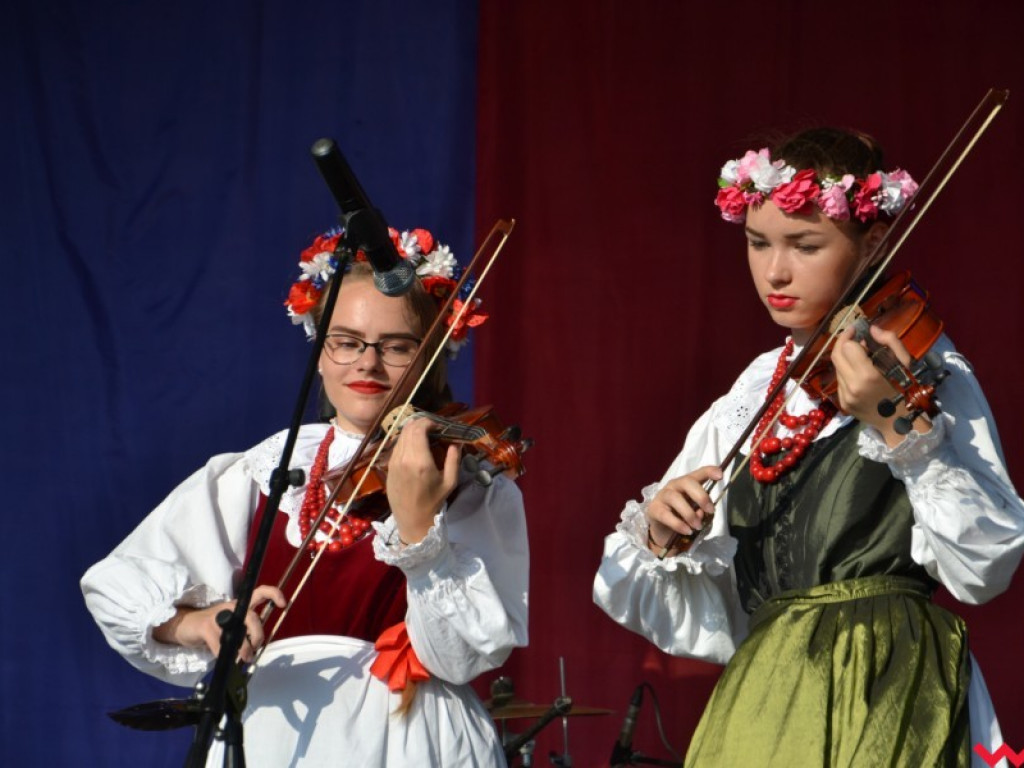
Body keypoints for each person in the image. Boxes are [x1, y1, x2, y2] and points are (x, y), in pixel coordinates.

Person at [593, 128, 1024, 766]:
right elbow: (689, 610)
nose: (775, 271)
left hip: (890, 681)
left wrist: (894, 426)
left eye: (805, 245)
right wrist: (662, 530)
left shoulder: (922, 364)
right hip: (770, 688)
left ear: (873, 242)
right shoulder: (755, 389)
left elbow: (984, 566)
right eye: (757, 242)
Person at [81, 226, 529, 766]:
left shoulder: (465, 481)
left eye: (396, 346)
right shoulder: (266, 469)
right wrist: (197, 622)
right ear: (320, 351)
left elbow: (460, 658)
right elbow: (117, 583)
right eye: (346, 341)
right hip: (272, 735)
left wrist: (418, 533)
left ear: (430, 357)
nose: (367, 363)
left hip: (407, 737)